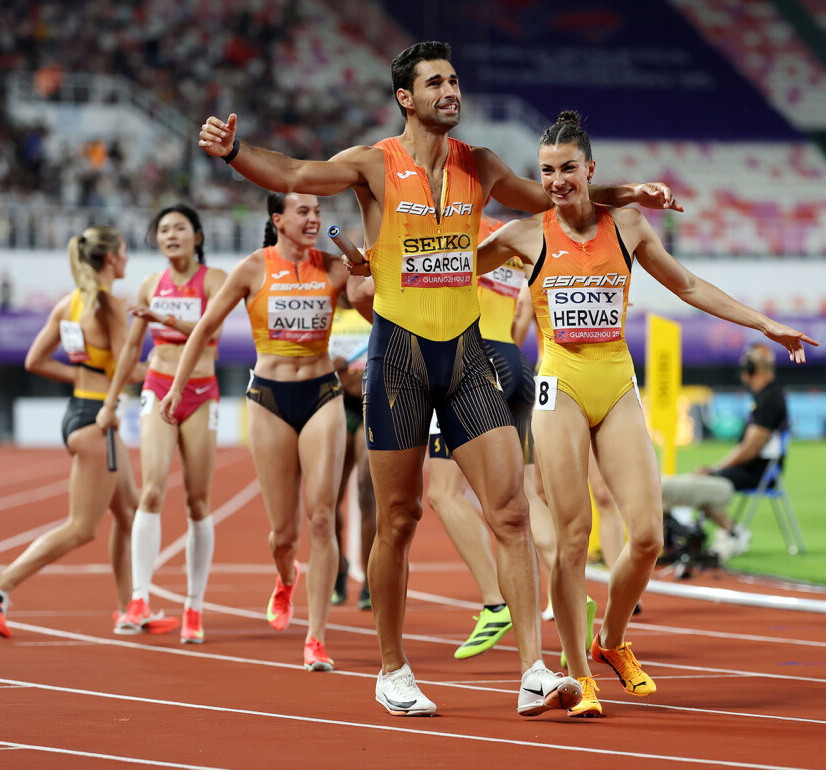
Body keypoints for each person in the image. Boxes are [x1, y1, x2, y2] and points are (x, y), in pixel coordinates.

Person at [198, 40, 680, 718]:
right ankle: (392, 670)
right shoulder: (373, 163)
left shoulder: (478, 164)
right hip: (399, 356)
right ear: (406, 97)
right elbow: (294, 173)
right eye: (435, 83)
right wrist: (232, 154)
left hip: (466, 356)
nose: (450, 91)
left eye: (454, 80)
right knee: (400, 518)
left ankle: (533, 671)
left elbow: (550, 198)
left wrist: (626, 192)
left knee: (511, 511)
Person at [477, 110, 817, 717]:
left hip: (616, 382)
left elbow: (688, 285)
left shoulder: (628, 225)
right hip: (559, 384)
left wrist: (765, 324)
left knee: (649, 537)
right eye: (546, 171)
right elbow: (448, 271)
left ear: (590, 169)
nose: (556, 181)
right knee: (574, 538)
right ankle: (578, 675)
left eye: (567, 169)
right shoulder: (523, 235)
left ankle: (610, 640)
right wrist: (383, 267)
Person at [160, 192, 353, 671]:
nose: (313, 219)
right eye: (303, 211)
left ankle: (316, 638)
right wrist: (176, 388)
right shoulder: (252, 269)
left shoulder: (333, 267)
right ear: (278, 219)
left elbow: (377, 307)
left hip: (323, 393)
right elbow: (205, 327)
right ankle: (285, 577)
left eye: (317, 211)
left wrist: (366, 269)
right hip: (269, 399)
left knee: (322, 518)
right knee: (283, 534)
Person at [0, 226, 140, 637]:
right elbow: (126, 369)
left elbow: (35, 360)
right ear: (111, 258)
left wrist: (83, 375)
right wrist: (173, 365)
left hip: (81, 411)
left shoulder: (70, 304)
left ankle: (130, 610)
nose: (128, 258)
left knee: (130, 512)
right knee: (82, 527)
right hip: (97, 420)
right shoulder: (111, 305)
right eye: (124, 251)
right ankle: (1, 584)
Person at [423, 214, 558, 660]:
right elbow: (524, 311)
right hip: (515, 362)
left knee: (443, 492)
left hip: (473, 360)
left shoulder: (452, 227)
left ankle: (495, 603)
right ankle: (571, 596)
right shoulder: (512, 233)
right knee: (523, 495)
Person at [97, 204, 227, 645]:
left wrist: (164, 318)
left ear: (197, 236)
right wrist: (110, 402)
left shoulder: (214, 280)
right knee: (151, 492)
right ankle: (139, 599)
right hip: (157, 386)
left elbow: (211, 333)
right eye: (163, 229)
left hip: (201, 391)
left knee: (197, 501)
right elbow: (131, 348)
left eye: (179, 228)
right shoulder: (151, 284)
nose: (170, 235)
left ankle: (194, 605)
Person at [688, 342, 791, 560]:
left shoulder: (769, 399)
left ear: (753, 369)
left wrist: (715, 469)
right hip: (756, 467)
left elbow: (750, 449)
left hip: (760, 472)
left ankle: (733, 533)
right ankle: (731, 531)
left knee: (701, 484)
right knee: (701, 481)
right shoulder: (764, 396)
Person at [327, 282, 377, 611]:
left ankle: (371, 581)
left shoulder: (373, 307)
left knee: (366, 491)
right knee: (329, 496)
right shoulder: (328, 312)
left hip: (369, 404)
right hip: (337, 404)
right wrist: (327, 361)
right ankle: (339, 570)